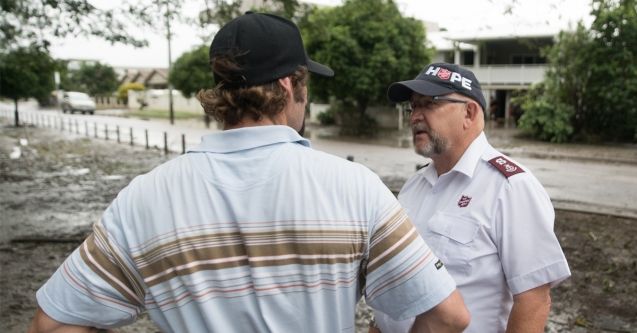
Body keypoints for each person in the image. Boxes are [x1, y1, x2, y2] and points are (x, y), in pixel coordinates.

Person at [29, 14, 470, 333]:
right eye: (305, 86)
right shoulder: (354, 188)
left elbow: (51, 324)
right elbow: (448, 316)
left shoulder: (143, 198)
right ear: (286, 86)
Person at [372, 63, 571, 333]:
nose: (414, 116)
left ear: (469, 112)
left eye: (428, 104)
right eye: (412, 107)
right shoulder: (413, 187)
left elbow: (533, 300)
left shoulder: (510, 187)